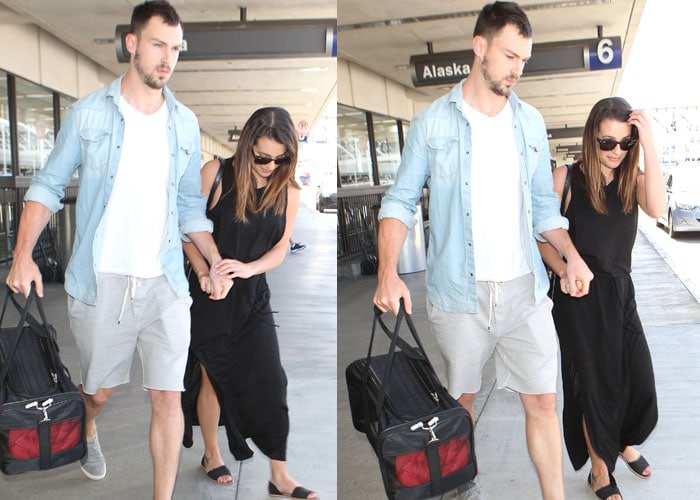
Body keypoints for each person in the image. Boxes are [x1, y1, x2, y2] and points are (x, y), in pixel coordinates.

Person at [4, 2, 231, 498]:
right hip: (102, 281)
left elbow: (191, 209)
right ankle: (88, 426)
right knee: (99, 392)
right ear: (132, 44)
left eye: (175, 48)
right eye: (158, 45)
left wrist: (213, 261)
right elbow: (46, 185)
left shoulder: (185, 123)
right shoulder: (89, 114)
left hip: (166, 283)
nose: (168, 58)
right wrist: (22, 255)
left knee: (168, 397)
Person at [373, 2, 594, 499]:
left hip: (525, 291)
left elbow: (544, 207)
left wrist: (571, 254)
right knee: (460, 405)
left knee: (542, 401)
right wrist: (389, 272)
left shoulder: (530, 123)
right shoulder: (432, 123)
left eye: (524, 59)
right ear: (481, 48)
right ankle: (462, 488)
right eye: (510, 55)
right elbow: (399, 201)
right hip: (458, 294)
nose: (518, 69)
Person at [181, 107, 317, 499]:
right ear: (246, 148)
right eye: (262, 157)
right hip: (209, 297)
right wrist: (206, 274)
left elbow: (279, 248)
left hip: (253, 294)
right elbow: (189, 233)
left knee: (273, 380)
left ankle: (280, 475)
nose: (270, 166)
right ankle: (211, 454)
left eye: (281, 159)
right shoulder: (217, 173)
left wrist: (249, 268)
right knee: (213, 380)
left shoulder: (288, 190)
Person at [538, 97, 664, 500]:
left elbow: (659, 207)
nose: (616, 152)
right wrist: (563, 270)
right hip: (578, 298)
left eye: (626, 144)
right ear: (591, 136)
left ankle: (622, 442)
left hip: (620, 291)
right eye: (608, 142)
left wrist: (650, 144)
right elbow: (540, 237)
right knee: (593, 387)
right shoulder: (566, 178)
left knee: (636, 378)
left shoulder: (633, 178)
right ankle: (599, 469)